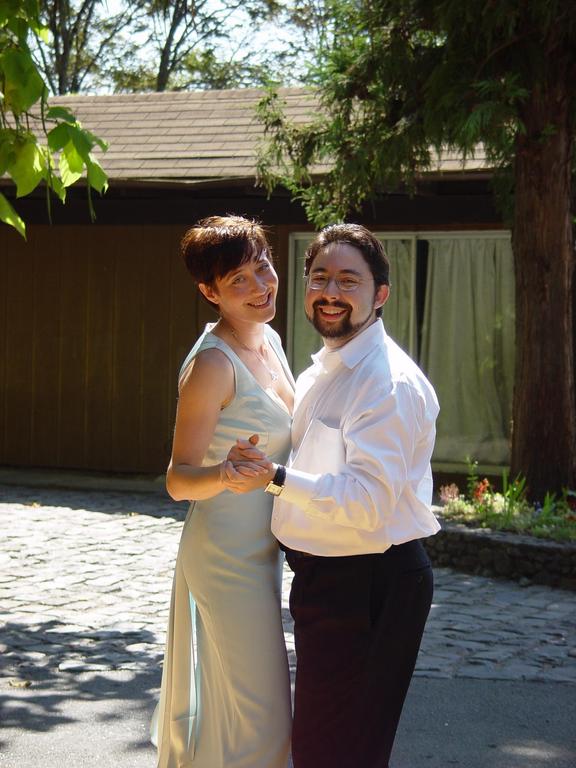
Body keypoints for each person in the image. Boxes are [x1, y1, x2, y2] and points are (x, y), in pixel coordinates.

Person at [227, 223, 441, 768]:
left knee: (339, 752)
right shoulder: (325, 368)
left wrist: (275, 477)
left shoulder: (384, 381)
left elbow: (367, 503)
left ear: (380, 294)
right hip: (332, 578)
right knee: (325, 748)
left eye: (349, 281)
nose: (330, 293)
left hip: (370, 582)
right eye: (320, 277)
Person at [152, 215, 294, 768]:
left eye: (263, 266)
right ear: (209, 292)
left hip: (265, 551)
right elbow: (177, 478)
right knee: (265, 718)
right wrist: (224, 474)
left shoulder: (270, 340)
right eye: (238, 279)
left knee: (237, 711)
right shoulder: (213, 364)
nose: (260, 285)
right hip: (226, 557)